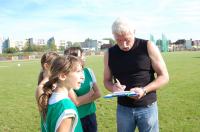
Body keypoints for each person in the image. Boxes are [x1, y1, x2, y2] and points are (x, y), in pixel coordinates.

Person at [103, 17, 169, 132]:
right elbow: (106, 80)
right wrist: (113, 87)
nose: (124, 45)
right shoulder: (109, 53)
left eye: (127, 40)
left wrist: (144, 90)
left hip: (147, 108)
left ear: (134, 32)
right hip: (123, 109)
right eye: (119, 40)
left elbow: (164, 76)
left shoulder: (147, 46)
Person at [38, 55, 84, 132]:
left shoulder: (49, 98)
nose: (82, 77)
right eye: (78, 72)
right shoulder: (66, 107)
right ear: (62, 76)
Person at [64, 47, 101, 132]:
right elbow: (76, 102)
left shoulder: (88, 71)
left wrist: (80, 100)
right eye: (82, 55)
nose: (84, 57)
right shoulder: (68, 77)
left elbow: (98, 93)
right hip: (76, 117)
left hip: (91, 115)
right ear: (72, 58)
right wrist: (90, 94)